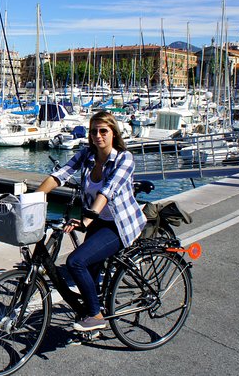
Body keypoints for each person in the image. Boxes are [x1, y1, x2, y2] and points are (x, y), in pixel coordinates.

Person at [37, 111, 146, 332]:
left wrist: (87, 219)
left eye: (103, 131)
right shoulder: (87, 154)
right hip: (97, 221)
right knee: (90, 274)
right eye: (94, 131)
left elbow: (108, 191)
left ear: (113, 133)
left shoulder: (125, 158)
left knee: (75, 262)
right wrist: (31, 199)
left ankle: (96, 317)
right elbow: (61, 174)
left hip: (118, 224)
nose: (98, 136)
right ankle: (93, 314)